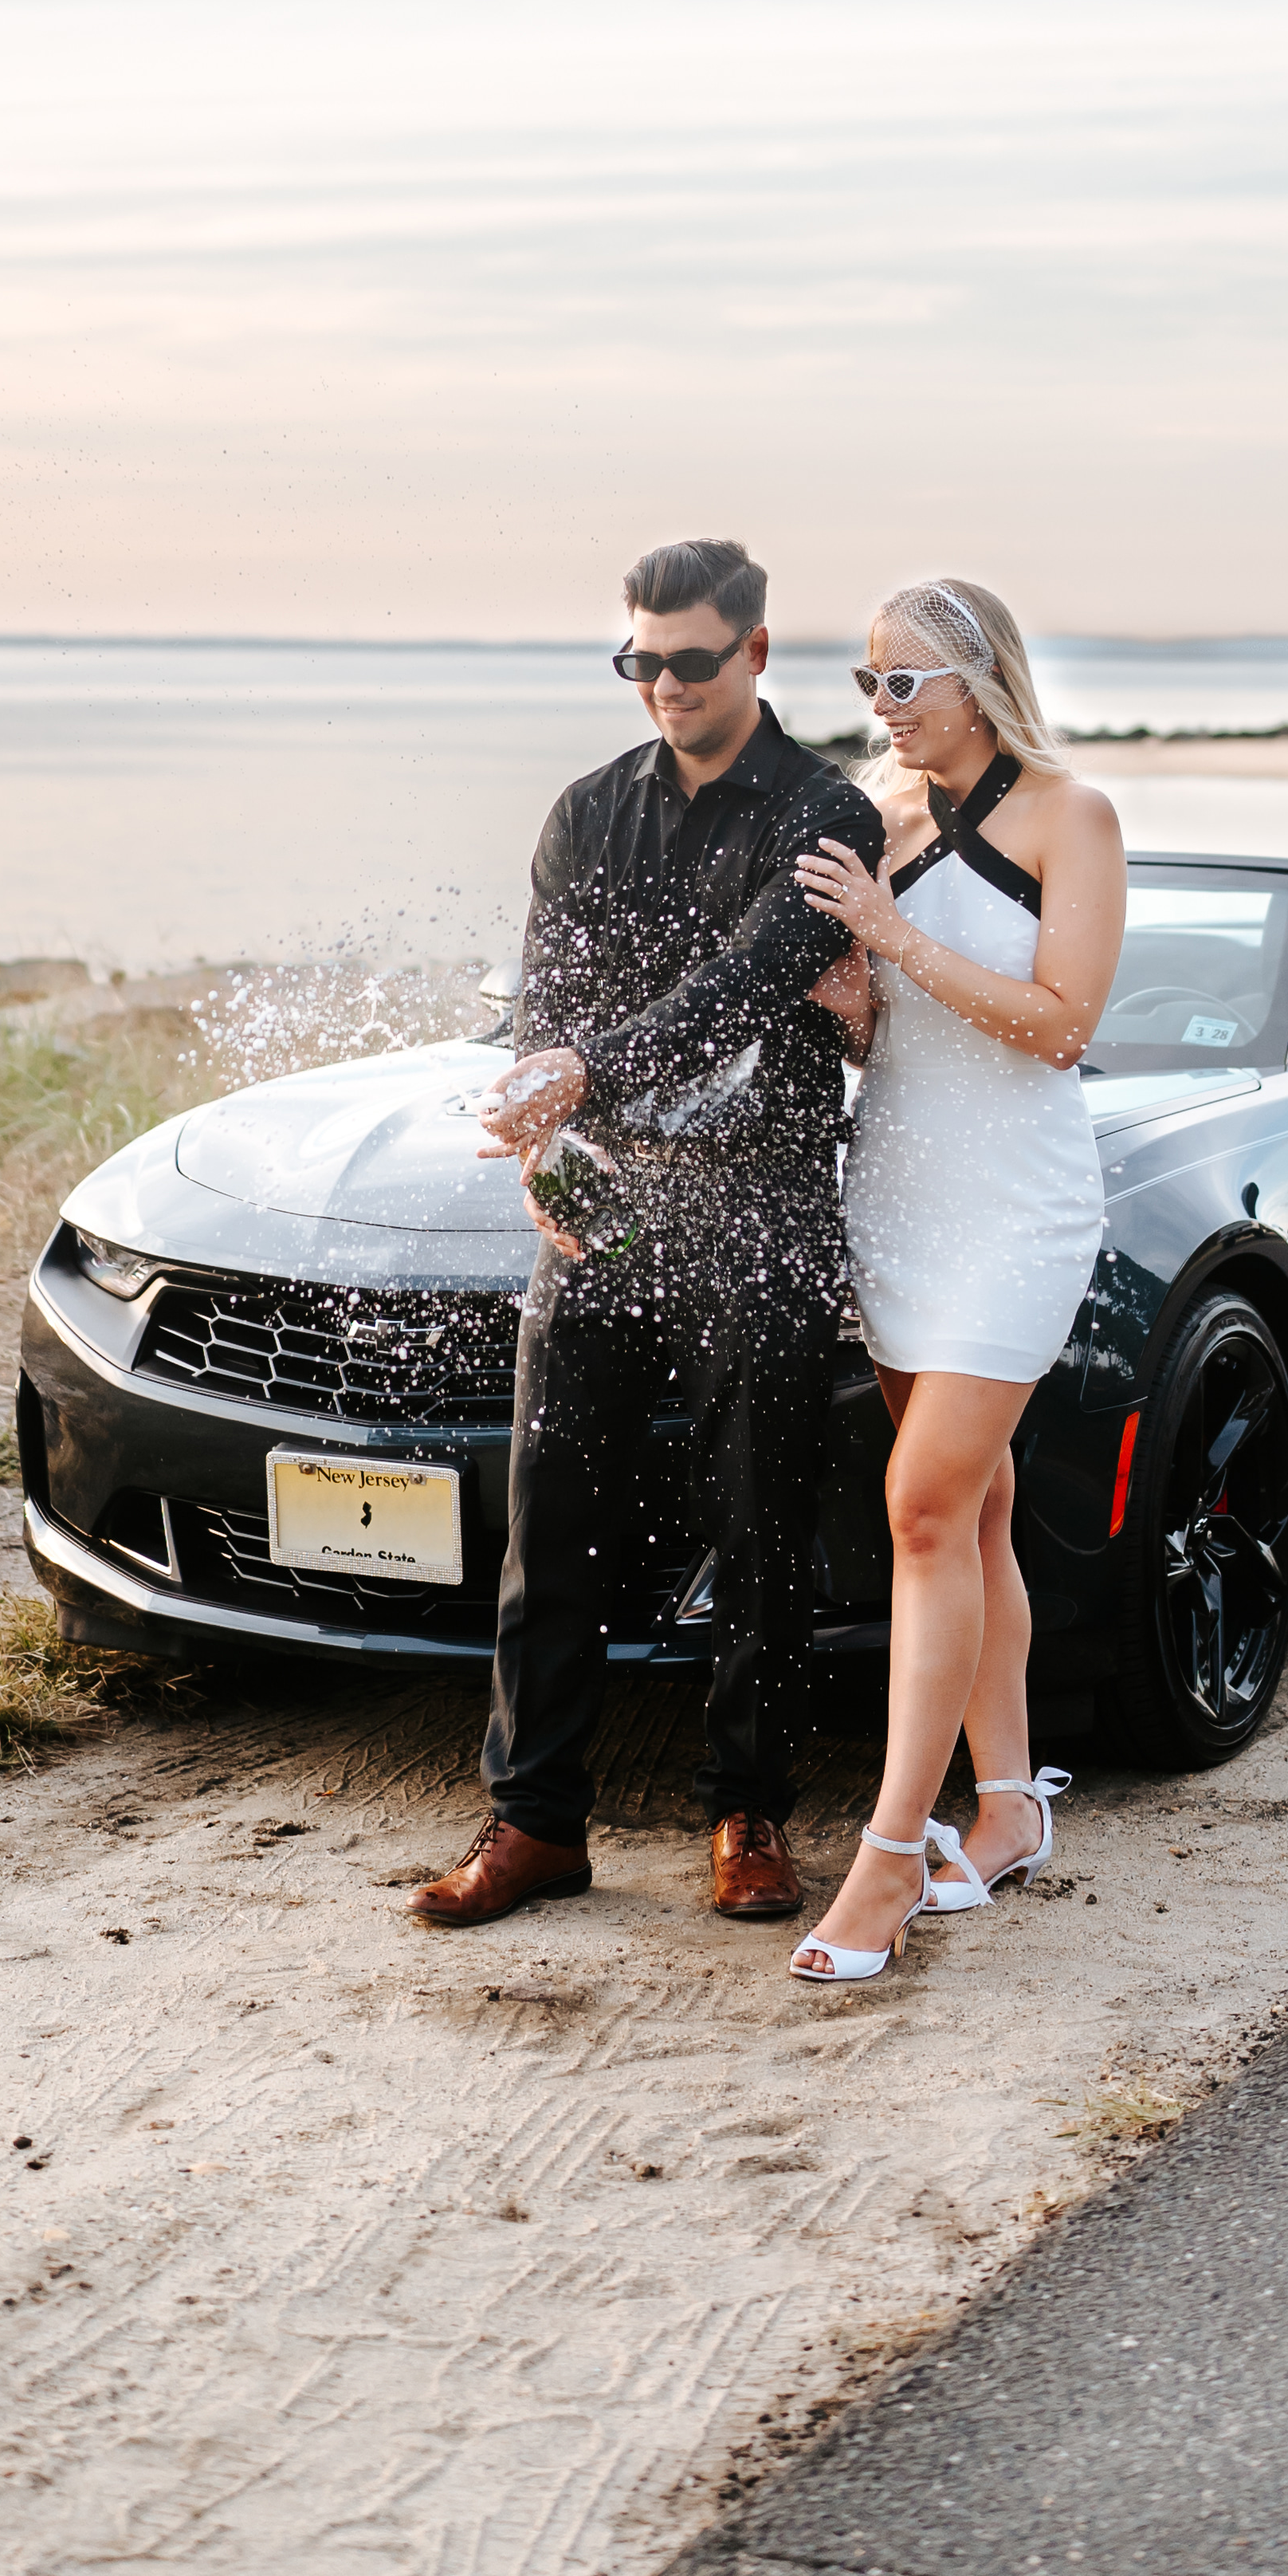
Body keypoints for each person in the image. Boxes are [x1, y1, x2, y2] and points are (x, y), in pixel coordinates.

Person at [410, 536, 884, 1933]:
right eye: (640, 661)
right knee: (547, 1518)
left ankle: (748, 1814)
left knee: (760, 1520)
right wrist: (549, 1148)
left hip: (766, 1207)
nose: (663, 685)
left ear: (752, 653)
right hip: (605, 1208)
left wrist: (580, 1076)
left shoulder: (826, 813)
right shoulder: (582, 813)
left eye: (689, 661)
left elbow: (745, 991)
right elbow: (545, 1011)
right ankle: (534, 1822)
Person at [783, 576, 1125, 1985]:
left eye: (904, 682)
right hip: (899, 1201)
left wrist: (899, 937)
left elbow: (1060, 1027)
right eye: (868, 682)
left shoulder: (1069, 814)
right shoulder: (881, 818)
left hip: (1015, 1213)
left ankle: (886, 1858)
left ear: (980, 679)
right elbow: (898, 1043)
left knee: (919, 1505)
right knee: (973, 1513)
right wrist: (857, 1007)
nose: (882, 709)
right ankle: (1009, 1807)